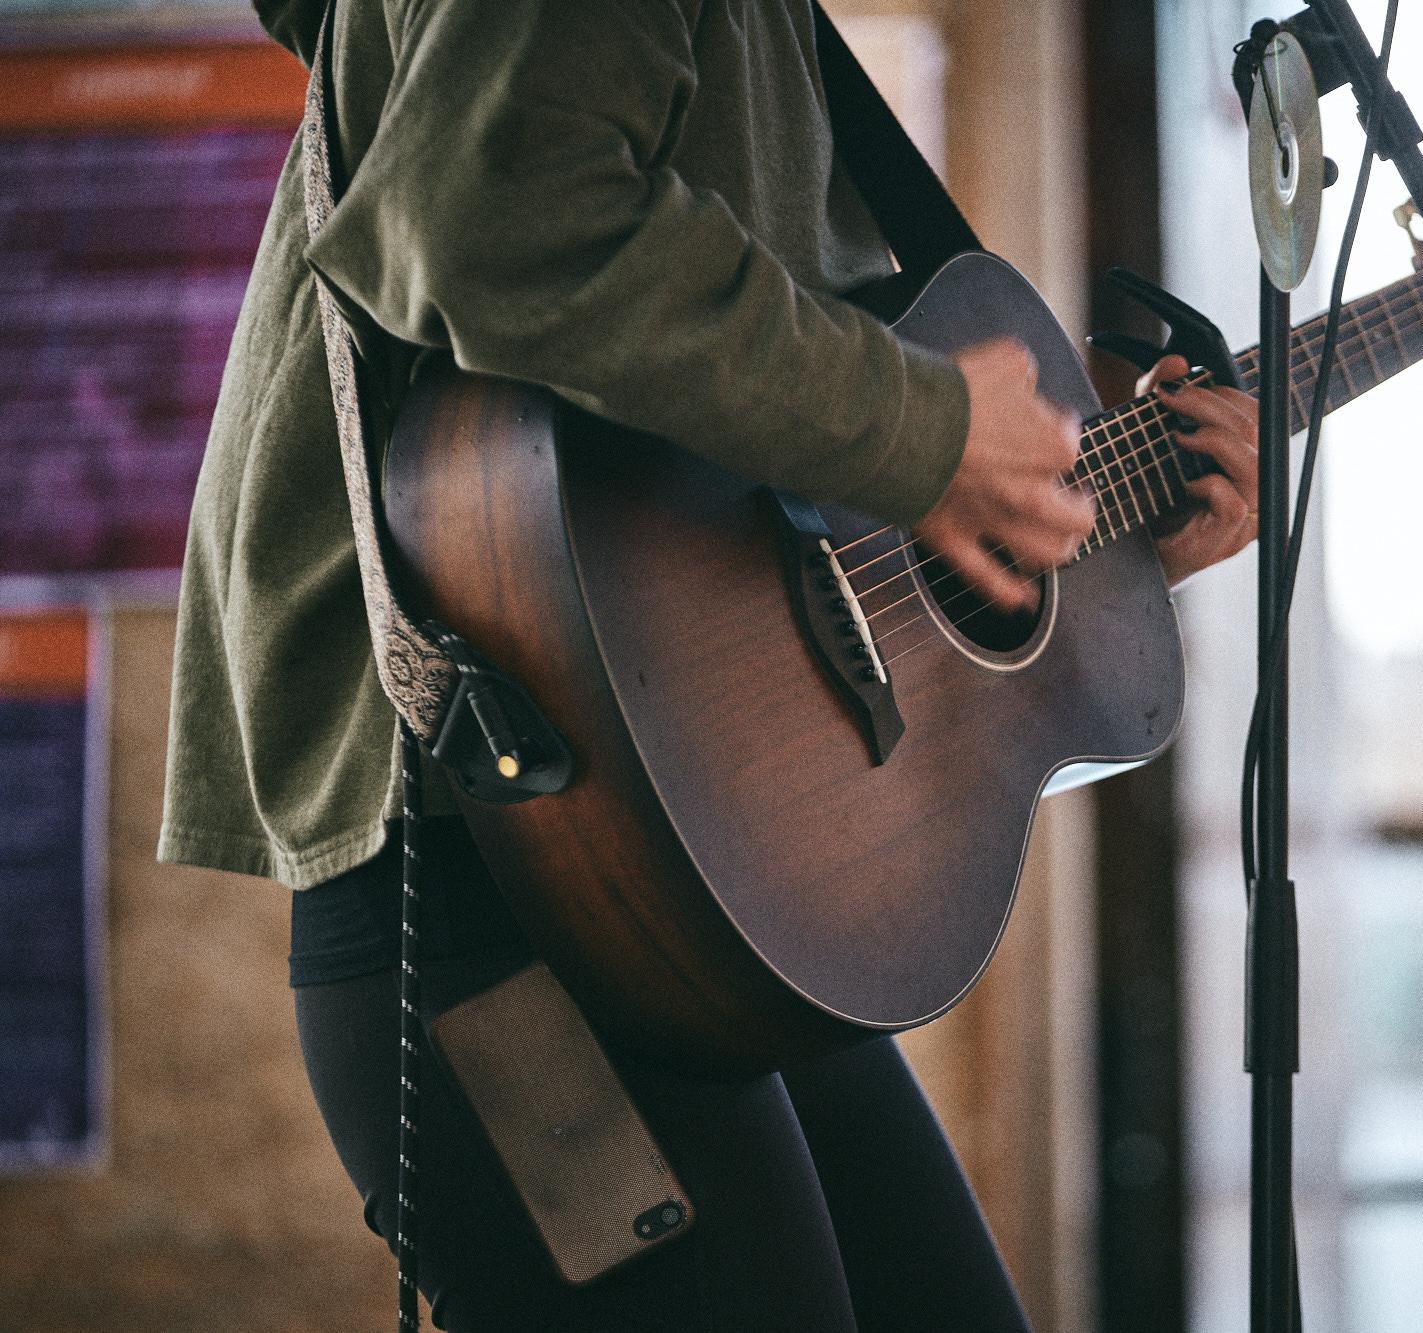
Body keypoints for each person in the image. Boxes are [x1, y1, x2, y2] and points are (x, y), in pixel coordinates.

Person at [161, 0, 1259, 1326]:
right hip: (496, 860)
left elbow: (773, 476)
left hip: (707, 896)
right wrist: (930, 436)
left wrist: (1059, 520)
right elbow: (502, 217)